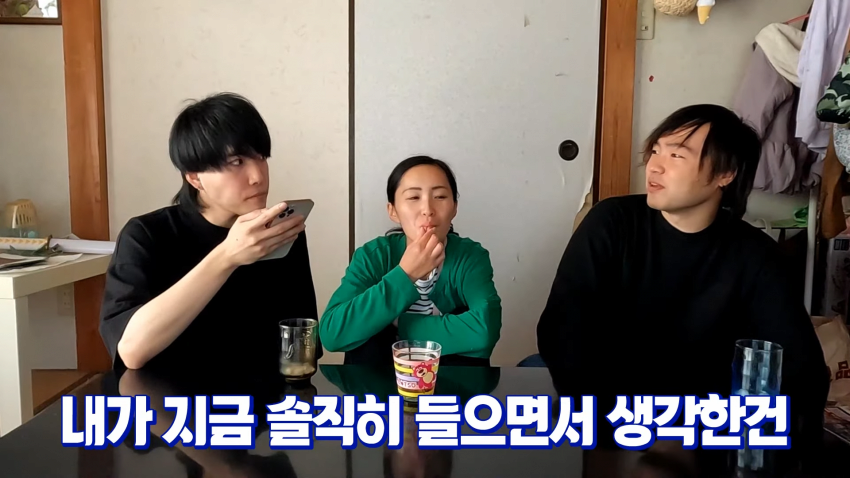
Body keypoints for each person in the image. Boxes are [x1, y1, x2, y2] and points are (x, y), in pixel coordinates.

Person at [537, 104, 828, 449]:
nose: (655, 166)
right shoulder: (612, 223)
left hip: (702, 433)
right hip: (607, 422)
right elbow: (561, 333)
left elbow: (799, 369)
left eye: (676, 155)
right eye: (656, 151)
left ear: (725, 173)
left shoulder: (756, 256)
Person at [99, 92, 319, 373]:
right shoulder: (147, 235)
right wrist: (227, 256)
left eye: (261, 157)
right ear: (194, 176)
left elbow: (302, 344)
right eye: (237, 162)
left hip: (265, 395)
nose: (258, 177)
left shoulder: (280, 232)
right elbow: (131, 351)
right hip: (172, 398)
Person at [319, 156, 502, 365]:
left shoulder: (470, 257)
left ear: (454, 207)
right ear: (393, 211)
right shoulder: (373, 256)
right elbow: (332, 334)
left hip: (450, 381)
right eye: (414, 197)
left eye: (440, 196)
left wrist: (396, 325)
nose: (428, 209)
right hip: (378, 381)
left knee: (369, 324)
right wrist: (406, 274)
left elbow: (484, 331)